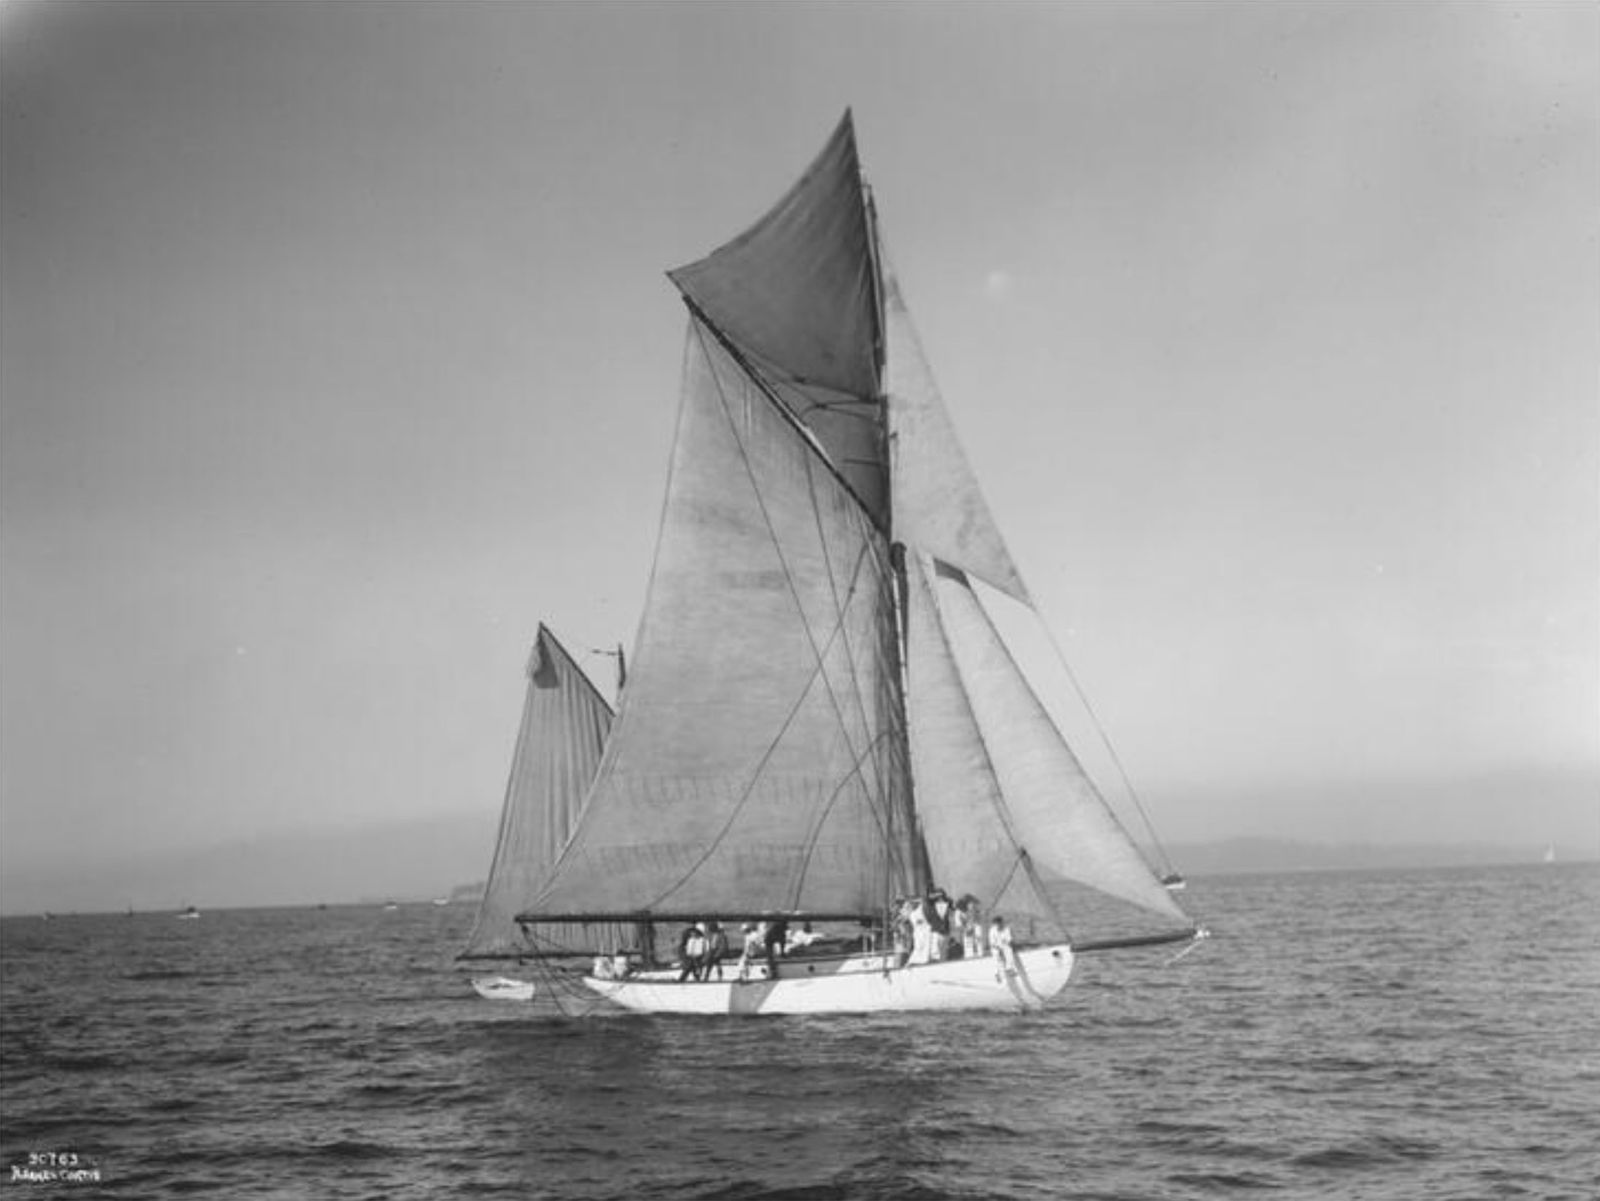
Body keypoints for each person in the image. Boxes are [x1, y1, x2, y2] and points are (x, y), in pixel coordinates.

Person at [990, 915, 1015, 981]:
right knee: (996, 956)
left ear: (1001, 922)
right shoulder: (992, 931)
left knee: (1009, 951)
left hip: (1004, 945)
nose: (998, 925)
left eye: (999, 923)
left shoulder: (1006, 929)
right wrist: (998, 948)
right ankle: (997, 974)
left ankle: (1009, 969)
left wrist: (1009, 943)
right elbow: (992, 942)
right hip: (996, 947)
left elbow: (1009, 939)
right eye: (996, 924)